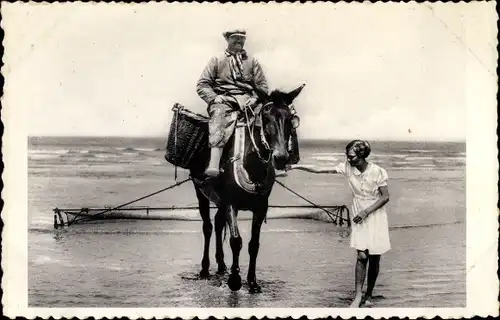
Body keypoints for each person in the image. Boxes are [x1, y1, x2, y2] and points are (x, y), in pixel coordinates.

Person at [287, 140, 391, 308]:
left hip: (374, 213)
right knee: (362, 255)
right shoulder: (347, 167)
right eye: (347, 156)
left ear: (362, 155)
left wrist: (366, 212)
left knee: (375, 257)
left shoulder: (378, 171)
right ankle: (358, 296)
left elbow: (385, 197)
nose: (348, 159)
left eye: (351, 157)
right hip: (359, 211)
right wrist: (296, 167)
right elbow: (320, 170)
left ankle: (369, 294)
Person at [196, 29, 269, 177]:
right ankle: (214, 164)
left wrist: (255, 98)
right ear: (227, 39)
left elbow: (263, 86)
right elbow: (202, 85)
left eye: (242, 38)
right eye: (235, 38)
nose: (239, 41)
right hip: (224, 100)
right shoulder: (216, 60)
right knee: (219, 114)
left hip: (249, 101)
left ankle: (276, 162)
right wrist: (214, 97)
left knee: (273, 116)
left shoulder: (252, 61)